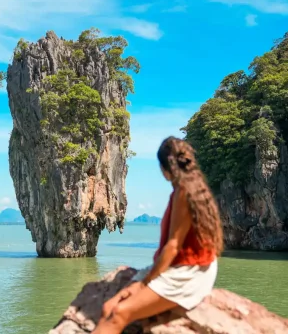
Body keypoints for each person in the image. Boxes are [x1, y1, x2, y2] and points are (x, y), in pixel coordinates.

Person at [92, 136, 224, 334]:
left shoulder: (184, 193)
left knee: (119, 312)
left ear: (165, 169)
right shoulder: (192, 188)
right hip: (183, 266)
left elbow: (173, 246)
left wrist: (145, 283)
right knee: (108, 308)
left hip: (188, 273)